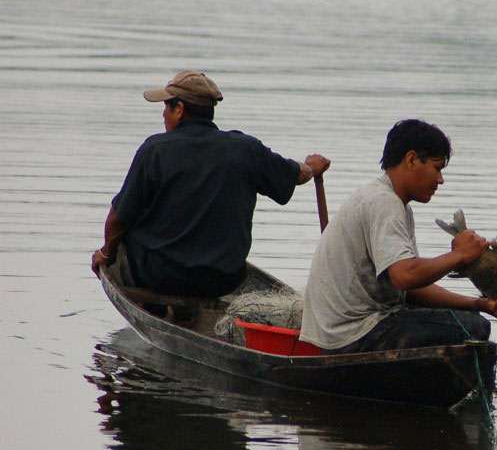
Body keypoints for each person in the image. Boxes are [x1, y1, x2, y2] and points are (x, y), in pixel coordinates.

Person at [91, 70, 331, 297]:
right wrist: (311, 167)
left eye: (166, 106)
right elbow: (294, 174)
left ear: (179, 110)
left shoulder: (155, 150)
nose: (163, 114)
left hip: (161, 278)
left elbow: (117, 219)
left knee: (123, 236)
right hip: (223, 280)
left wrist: (106, 253)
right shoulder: (246, 149)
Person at [299, 119, 497, 353]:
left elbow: (411, 288)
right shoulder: (384, 202)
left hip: (348, 330)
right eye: (437, 168)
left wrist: (479, 304)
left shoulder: (393, 203)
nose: (440, 180)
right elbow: (405, 277)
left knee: (472, 317)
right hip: (348, 335)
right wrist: (459, 256)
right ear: (411, 159)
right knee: (474, 328)